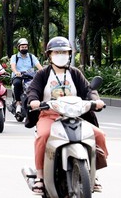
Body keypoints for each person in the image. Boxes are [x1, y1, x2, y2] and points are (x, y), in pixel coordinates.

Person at [25, 36, 108, 195]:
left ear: (70, 54)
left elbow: (89, 91)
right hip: (49, 116)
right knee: (43, 136)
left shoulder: (75, 73)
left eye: (64, 52)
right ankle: (40, 177)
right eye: (57, 52)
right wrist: (34, 101)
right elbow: (33, 91)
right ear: (49, 54)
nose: (60, 54)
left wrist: (96, 101)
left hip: (75, 116)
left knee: (99, 135)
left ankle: (94, 174)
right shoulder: (43, 74)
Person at [10, 37, 43, 115]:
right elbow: (13, 66)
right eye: (22, 47)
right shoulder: (14, 57)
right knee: (17, 84)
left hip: (30, 76)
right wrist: (16, 72)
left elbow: (39, 66)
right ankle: (18, 103)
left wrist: (42, 71)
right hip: (18, 76)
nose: (24, 48)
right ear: (19, 48)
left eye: (25, 47)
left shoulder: (32, 57)